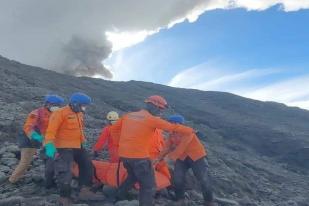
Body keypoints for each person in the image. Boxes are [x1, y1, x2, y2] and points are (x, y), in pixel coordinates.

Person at [111, 95, 194, 206]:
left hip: (125, 156)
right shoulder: (151, 119)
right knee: (148, 186)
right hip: (140, 158)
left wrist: (119, 144)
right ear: (152, 106)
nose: (161, 112)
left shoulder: (128, 116)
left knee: (132, 176)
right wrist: (191, 130)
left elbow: (114, 130)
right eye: (160, 109)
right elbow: (172, 127)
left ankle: (118, 197)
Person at [45, 92, 103, 206]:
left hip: (78, 146)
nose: (84, 108)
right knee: (65, 172)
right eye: (83, 105)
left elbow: (80, 131)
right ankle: (64, 197)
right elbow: (50, 133)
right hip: (63, 148)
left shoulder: (79, 113)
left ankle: (84, 191)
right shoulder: (59, 113)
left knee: (87, 165)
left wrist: (84, 145)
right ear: (75, 104)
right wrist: (51, 152)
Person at [157, 114, 216, 206]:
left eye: (171, 123)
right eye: (169, 123)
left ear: (178, 124)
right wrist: (158, 159)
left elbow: (182, 147)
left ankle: (209, 201)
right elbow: (166, 147)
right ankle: (180, 199)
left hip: (196, 156)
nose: (169, 124)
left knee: (203, 179)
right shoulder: (171, 134)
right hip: (182, 158)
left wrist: (169, 158)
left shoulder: (188, 132)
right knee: (177, 178)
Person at [9, 94, 64, 184]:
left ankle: (49, 178)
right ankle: (12, 180)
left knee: (51, 156)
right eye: (55, 105)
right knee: (25, 162)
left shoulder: (55, 114)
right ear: (47, 104)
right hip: (28, 139)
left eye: (58, 105)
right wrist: (38, 138)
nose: (57, 107)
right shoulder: (36, 112)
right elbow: (28, 127)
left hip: (44, 139)